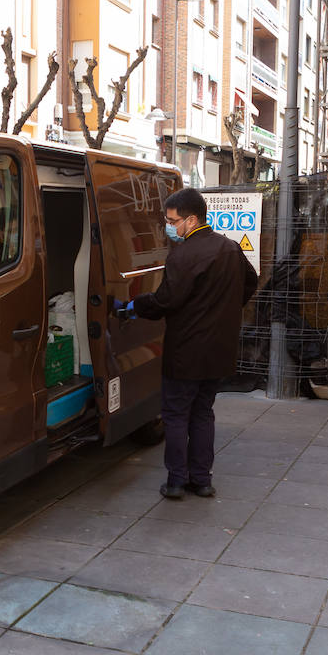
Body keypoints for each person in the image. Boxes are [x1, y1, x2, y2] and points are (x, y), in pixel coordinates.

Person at [123, 188, 258, 499]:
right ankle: (202, 479)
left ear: (192, 219)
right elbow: (250, 281)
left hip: (185, 352)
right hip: (218, 351)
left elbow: (166, 300)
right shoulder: (229, 249)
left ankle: (175, 481)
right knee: (203, 413)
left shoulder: (183, 255)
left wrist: (136, 306)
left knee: (175, 415)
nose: (170, 227)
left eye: (173, 221)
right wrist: (226, 309)